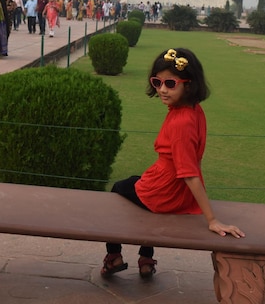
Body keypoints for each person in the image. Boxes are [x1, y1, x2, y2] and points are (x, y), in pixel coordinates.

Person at [101, 47, 245, 279]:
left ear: (188, 84)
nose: (162, 90)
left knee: (119, 189)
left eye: (170, 84)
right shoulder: (193, 110)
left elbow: (189, 173)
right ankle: (146, 259)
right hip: (170, 186)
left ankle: (113, 255)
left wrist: (212, 220)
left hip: (165, 191)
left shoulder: (181, 123)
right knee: (136, 189)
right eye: (157, 82)